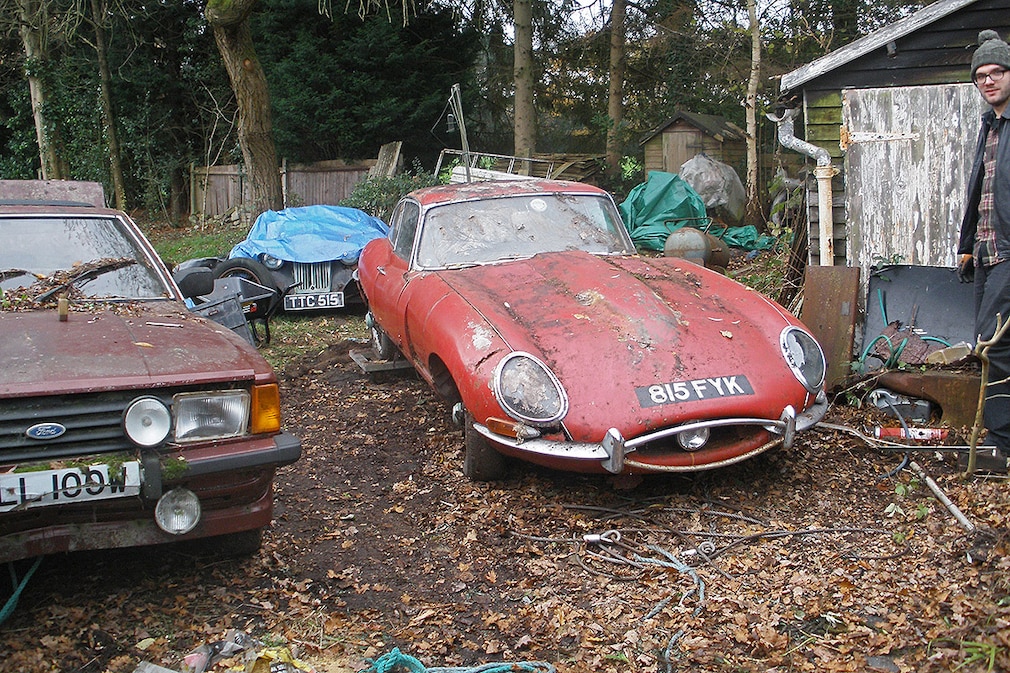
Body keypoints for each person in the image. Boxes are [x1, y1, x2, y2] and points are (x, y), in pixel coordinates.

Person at [957, 30, 1010, 460]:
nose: (988, 81)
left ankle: (1002, 443)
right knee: (987, 342)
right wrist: (967, 244)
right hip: (987, 253)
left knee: (997, 345)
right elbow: (981, 191)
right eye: (980, 76)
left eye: (996, 72)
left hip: (1009, 253)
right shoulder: (990, 126)